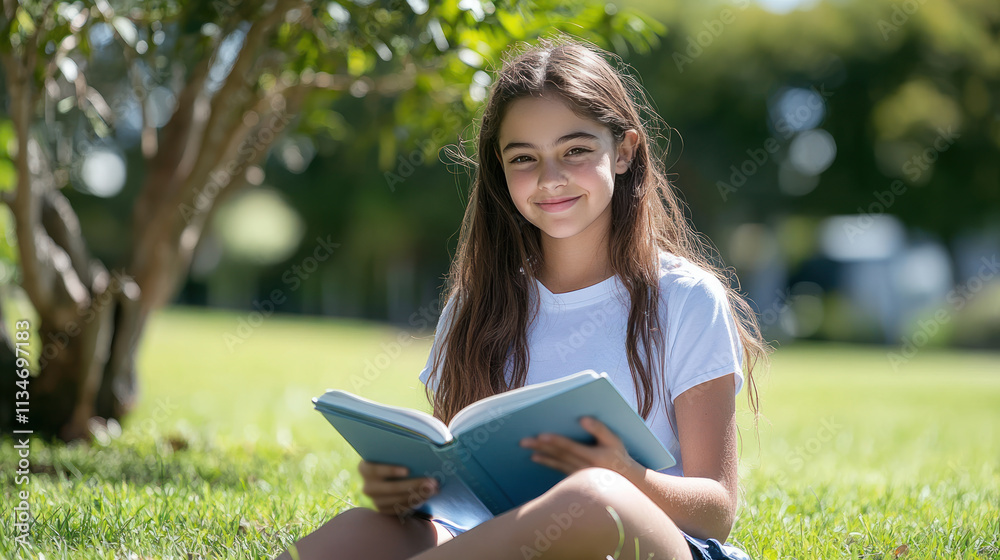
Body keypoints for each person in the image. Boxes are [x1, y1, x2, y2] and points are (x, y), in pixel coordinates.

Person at [276, 34, 768, 560]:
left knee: (593, 498)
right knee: (360, 530)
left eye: (575, 151)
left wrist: (623, 473)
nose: (550, 179)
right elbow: (461, 479)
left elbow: (717, 512)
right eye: (524, 158)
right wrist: (409, 492)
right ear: (500, 168)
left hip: (646, 542)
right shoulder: (474, 306)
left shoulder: (686, 298)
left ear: (624, 152)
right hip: (498, 540)